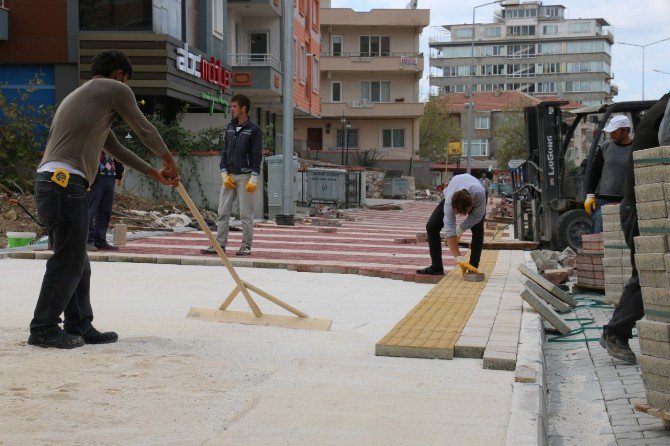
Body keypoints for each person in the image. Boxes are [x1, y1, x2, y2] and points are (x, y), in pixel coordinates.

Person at [29, 50, 179, 349]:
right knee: (68, 260)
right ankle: (43, 328)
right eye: (127, 82)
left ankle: (79, 323)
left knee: (77, 259)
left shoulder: (85, 99)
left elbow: (116, 149)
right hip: (64, 183)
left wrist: (153, 172)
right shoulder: (114, 89)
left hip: (54, 184)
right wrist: (168, 160)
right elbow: (145, 130)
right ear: (120, 74)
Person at [599, 93, 670, 364]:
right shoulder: (667, 110)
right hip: (646, 206)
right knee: (650, 271)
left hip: (647, 203)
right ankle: (615, 332)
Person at [202, 94, 262, 256]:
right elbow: (225, 151)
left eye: (234, 106)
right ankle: (219, 245)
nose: (232, 109)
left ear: (244, 108)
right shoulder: (229, 128)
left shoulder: (254, 130)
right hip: (229, 176)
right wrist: (223, 174)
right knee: (222, 212)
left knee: (245, 214)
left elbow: (257, 155)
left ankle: (246, 246)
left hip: (245, 177)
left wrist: (254, 177)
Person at [417, 173, 486, 276]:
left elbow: (477, 216)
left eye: (466, 212)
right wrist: (459, 258)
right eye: (458, 213)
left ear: (472, 205)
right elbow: (449, 231)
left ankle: (473, 268)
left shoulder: (479, 193)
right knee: (432, 226)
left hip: (476, 193)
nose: (463, 215)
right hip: (454, 190)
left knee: (478, 229)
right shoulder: (449, 202)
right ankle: (437, 268)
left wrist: (461, 229)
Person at [584, 115, 634, 233]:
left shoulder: (635, 148)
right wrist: (590, 194)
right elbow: (595, 171)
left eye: (614, 131)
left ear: (625, 130)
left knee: (625, 230)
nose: (611, 134)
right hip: (604, 198)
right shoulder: (606, 146)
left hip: (627, 198)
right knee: (598, 227)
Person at [87, 151, 124, 251]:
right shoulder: (92, 135)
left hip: (110, 173)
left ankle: (100, 240)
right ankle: (87, 240)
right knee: (91, 208)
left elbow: (117, 153)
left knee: (105, 209)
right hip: (95, 173)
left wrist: (119, 172)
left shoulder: (109, 137)